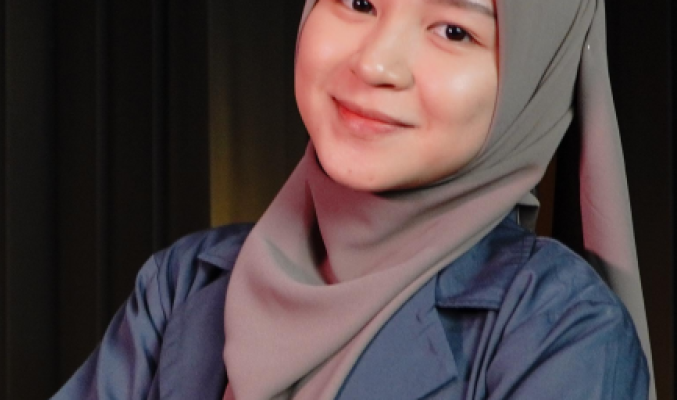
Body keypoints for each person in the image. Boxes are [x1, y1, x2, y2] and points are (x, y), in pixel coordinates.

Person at [52, 0, 652, 398]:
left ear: (534, 77)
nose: (377, 63)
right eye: (359, 1)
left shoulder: (560, 331)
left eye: (454, 31)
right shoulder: (183, 284)